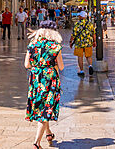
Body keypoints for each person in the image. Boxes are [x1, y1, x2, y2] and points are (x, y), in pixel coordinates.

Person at [25, 20, 64, 149]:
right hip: (50, 79)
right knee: (45, 110)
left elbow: (26, 65)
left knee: (41, 107)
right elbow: (61, 67)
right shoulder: (55, 47)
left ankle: (48, 133)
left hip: (35, 79)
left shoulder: (32, 45)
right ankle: (36, 143)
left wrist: (38, 66)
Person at [70, 10, 95, 76]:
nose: (78, 17)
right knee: (88, 56)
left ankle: (81, 70)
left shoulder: (77, 24)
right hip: (88, 42)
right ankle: (90, 66)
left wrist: (70, 42)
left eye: (79, 16)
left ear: (81, 16)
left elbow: (73, 34)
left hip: (79, 43)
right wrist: (94, 41)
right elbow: (93, 33)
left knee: (80, 57)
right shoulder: (90, 24)